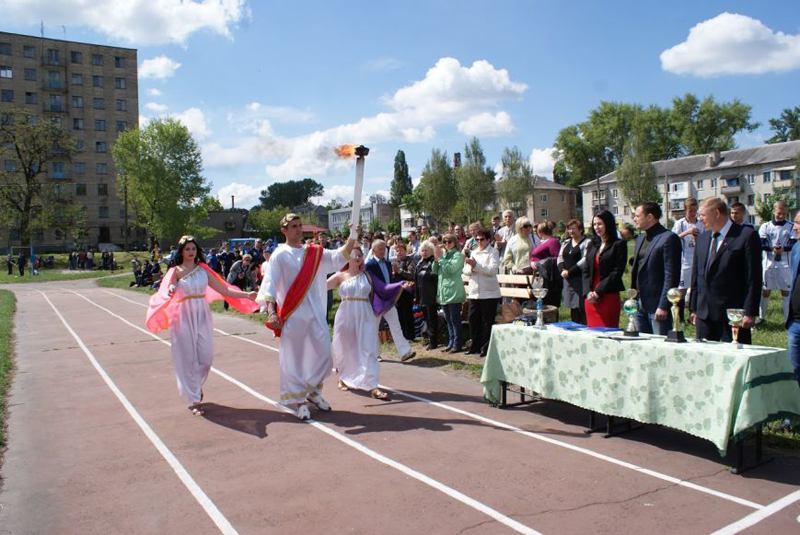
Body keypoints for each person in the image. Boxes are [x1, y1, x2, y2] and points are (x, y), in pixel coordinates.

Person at [259, 214, 358, 420]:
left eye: (299, 225)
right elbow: (269, 284)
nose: (298, 229)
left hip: (315, 313)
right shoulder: (279, 254)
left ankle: (311, 391)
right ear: (284, 230)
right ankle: (299, 400)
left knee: (323, 355)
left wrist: (352, 235)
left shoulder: (314, 252)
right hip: (293, 314)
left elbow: (340, 256)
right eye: (293, 226)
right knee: (293, 359)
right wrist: (271, 311)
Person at [146, 236, 258, 415]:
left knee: (205, 358)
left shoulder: (203, 270)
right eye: (188, 249)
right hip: (183, 316)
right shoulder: (175, 271)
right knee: (187, 357)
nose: (191, 252)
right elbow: (169, 287)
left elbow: (224, 289)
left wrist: (246, 295)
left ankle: (195, 386)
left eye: (193, 249)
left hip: (202, 314)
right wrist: (172, 289)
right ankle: (195, 398)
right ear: (181, 251)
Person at [329, 248, 411, 400]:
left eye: (360, 255)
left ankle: (373, 386)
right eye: (355, 255)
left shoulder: (368, 275)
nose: (359, 257)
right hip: (345, 316)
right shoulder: (340, 276)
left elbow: (383, 288)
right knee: (345, 347)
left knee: (369, 349)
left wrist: (400, 284)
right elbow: (318, 287)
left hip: (365, 315)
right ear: (347, 258)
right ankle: (343, 377)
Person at [689, 197, 761, 344]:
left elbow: (753, 277)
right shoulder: (702, 238)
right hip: (704, 314)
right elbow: (696, 275)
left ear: (716, 213)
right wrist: (694, 307)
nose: (699, 219)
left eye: (703, 215)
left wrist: (750, 311)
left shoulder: (745, 236)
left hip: (733, 315)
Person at [630, 202, 681, 335]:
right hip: (638, 302)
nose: (634, 219)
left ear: (650, 217)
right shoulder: (640, 239)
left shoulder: (668, 238)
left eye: (637, 216)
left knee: (659, 346)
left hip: (656, 304)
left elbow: (671, 275)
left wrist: (663, 305)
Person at [365, 240, 416, 362]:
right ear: (373, 250)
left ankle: (404, 352)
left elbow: (389, 281)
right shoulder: (369, 265)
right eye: (380, 249)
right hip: (376, 301)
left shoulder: (388, 264)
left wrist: (401, 286)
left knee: (396, 325)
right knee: (374, 327)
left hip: (388, 300)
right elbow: (378, 285)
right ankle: (374, 354)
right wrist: (400, 284)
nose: (383, 251)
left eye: (385, 248)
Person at [584, 210, 627, 328]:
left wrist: (598, 292)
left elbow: (617, 272)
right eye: (594, 224)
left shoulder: (619, 244)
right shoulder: (591, 244)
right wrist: (588, 292)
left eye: (600, 224)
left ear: (608, 224)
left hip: (608, 295)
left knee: (608, 332)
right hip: (590, 298)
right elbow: (586, 270)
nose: (597, 227)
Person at [463, 229, 500, 357]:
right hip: (474, 292)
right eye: (477, 239)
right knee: (473, 320)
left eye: (481, 239)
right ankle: (475, 345)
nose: (479, 242)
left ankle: (486, 347)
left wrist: (476, 266)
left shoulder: (493, 252)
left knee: (487, 322)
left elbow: (492, 270)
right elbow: (465, 270)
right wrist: (472, 268)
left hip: (489, 294)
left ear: (488, 240)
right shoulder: (474, 252)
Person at [759, 200, 795, 322]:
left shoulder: (790, 227)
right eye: (779, 213)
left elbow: (793, 243)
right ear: (774, 211)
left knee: (786, 292)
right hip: (769, 263)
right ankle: (761, 318)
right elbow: (762, 243)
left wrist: (783, 249)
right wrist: (771, 249)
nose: (781, 216)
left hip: (785, 264)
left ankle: (787, 319)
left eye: (784, 214)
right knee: (765, 291)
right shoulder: (765, 226)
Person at [672, 198, 705, 321]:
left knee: (696, 288)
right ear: (685, 210)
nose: (692, 213)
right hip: (684, 260)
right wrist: (687, 232)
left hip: (698, 260)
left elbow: (708, 237)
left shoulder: (701, 223)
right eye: (690, 210)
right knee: (682, 289)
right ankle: (679, 317)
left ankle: (693, 315)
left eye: (694, 210)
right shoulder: (680, 223)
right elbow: (673, 239)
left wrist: (699, 238)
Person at [434, 233, 467, 353]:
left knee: (455, 319)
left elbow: (451, 269)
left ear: (454, 243)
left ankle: (458, 344)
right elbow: (435, 271)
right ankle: (451, 341)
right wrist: (436, 259)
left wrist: (441, 259)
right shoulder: (444, 255)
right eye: (444, 241)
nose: (446, 244)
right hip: (443, 291)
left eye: (449, 241)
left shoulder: (458, 255)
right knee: (448, 319)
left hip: (453, 291)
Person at [557, 219, 590, 324]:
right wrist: (562, 269)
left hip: (580, 279)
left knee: (582, 306)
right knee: (573, 306)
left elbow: (585, 259)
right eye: (569, 229)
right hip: (568, 279)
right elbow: (560, 257)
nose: (571, 231)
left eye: (573, 229)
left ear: (580, 230)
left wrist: (570, 271)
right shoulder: (566, 242)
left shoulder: (586, 242)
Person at [785, 210, 800, 387]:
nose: (794, 227)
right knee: (795, 368)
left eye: (797, 223)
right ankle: (794, 408)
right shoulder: (796, 248)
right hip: (795, 322)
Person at [415, 240, 439, 350]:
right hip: (422, 295)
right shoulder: (420, 263)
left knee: (432, 319)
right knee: (426, 319)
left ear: (431, 251)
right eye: (422, 251)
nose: (424, 252)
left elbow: (435, 278)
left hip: (431, 295)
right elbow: (417, 280)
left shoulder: (433, 262)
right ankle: (429, 339)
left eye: (426, 250)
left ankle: (434, 342)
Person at [392, 239, 417, 342]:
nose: (399, 252)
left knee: (407, 313)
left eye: (401, 250)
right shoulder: (395, 262)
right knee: (399, 314)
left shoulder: (410, 261)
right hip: (397, 292)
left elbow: (411, 275)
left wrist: (399, 271)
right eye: (397, 251)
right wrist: (393, 273)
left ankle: (410, 335)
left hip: (407, 291)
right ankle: (402, 335)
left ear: (405, 251)